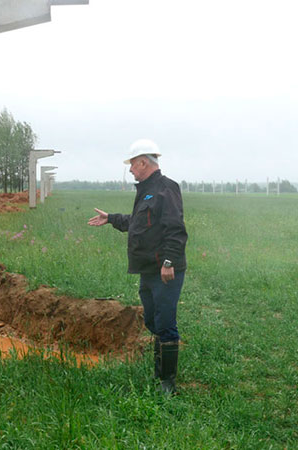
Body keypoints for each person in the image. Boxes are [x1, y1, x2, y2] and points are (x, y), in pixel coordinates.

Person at [88, 139, 188, 394]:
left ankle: (167, 383)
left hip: (164, 271)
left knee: (165, 321)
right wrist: (111, 219)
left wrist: (169, 262)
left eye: (132, 164)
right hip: (147, 269)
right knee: (153, 320)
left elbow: (175, 230)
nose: (130, 169)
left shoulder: (166, 189)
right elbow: (138, 222)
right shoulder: (146, 191)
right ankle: (159, 370)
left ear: (143, 162)